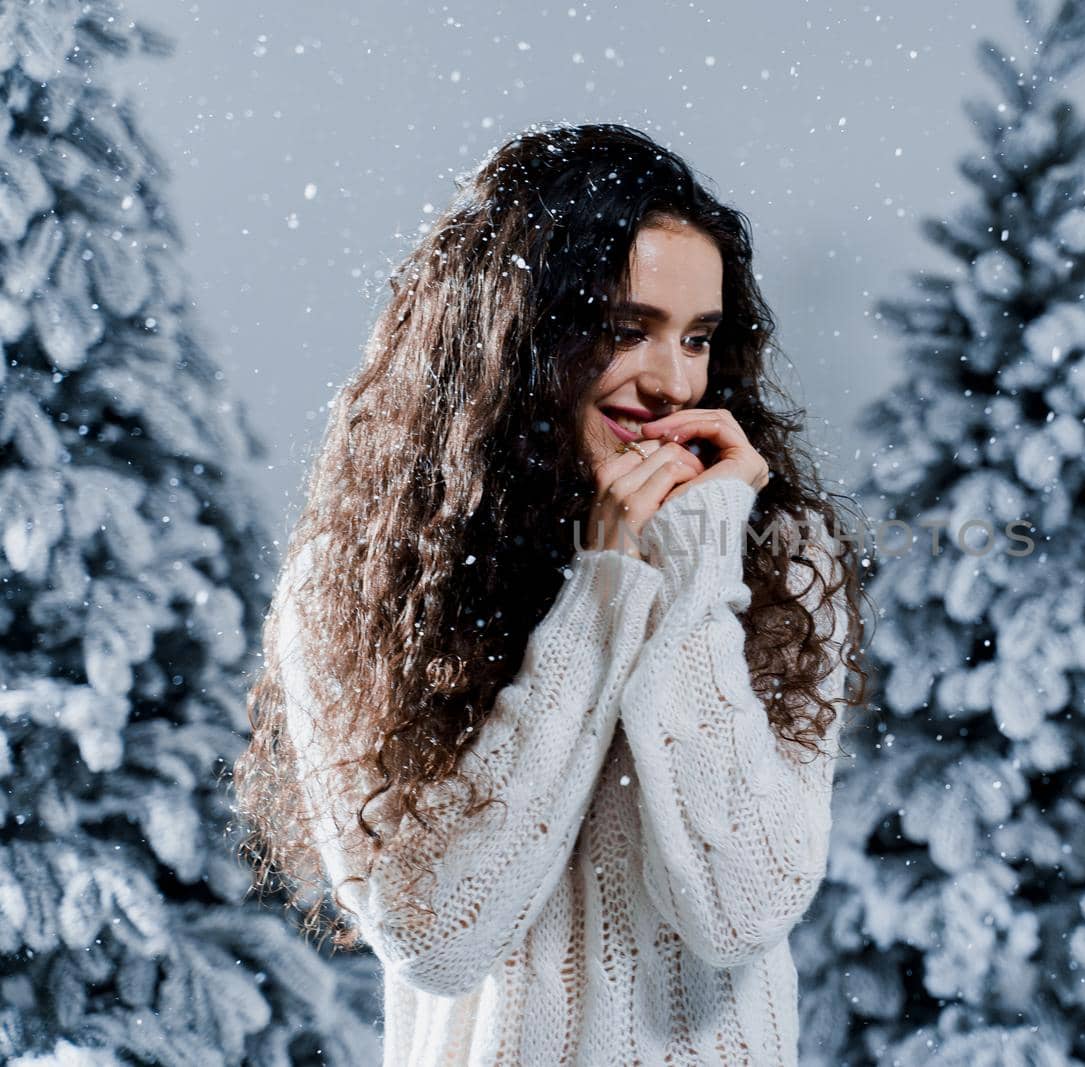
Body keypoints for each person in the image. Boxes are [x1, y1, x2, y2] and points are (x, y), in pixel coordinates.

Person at [231, 122, 870, 1066]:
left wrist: (693, 571)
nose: (671, 380)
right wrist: (602, 593)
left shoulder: (778, 553)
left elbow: (747, 907)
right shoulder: (360, 573)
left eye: (697, 337)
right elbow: (438, 937)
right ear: (514, 330)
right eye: (623, 330)